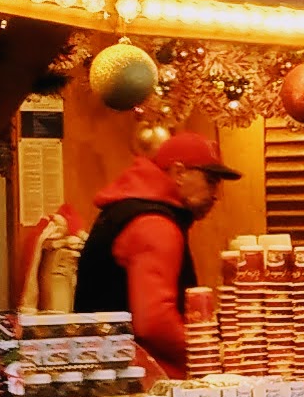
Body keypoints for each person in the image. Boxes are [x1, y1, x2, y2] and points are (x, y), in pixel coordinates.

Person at [59, 119, 244, 376]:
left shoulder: (125, 209)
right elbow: (154, 321)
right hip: (141, 381)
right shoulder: (156, 226)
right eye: (211, 181)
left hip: (108, 375)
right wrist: (210, 356)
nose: (216, 194)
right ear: (179, 173)